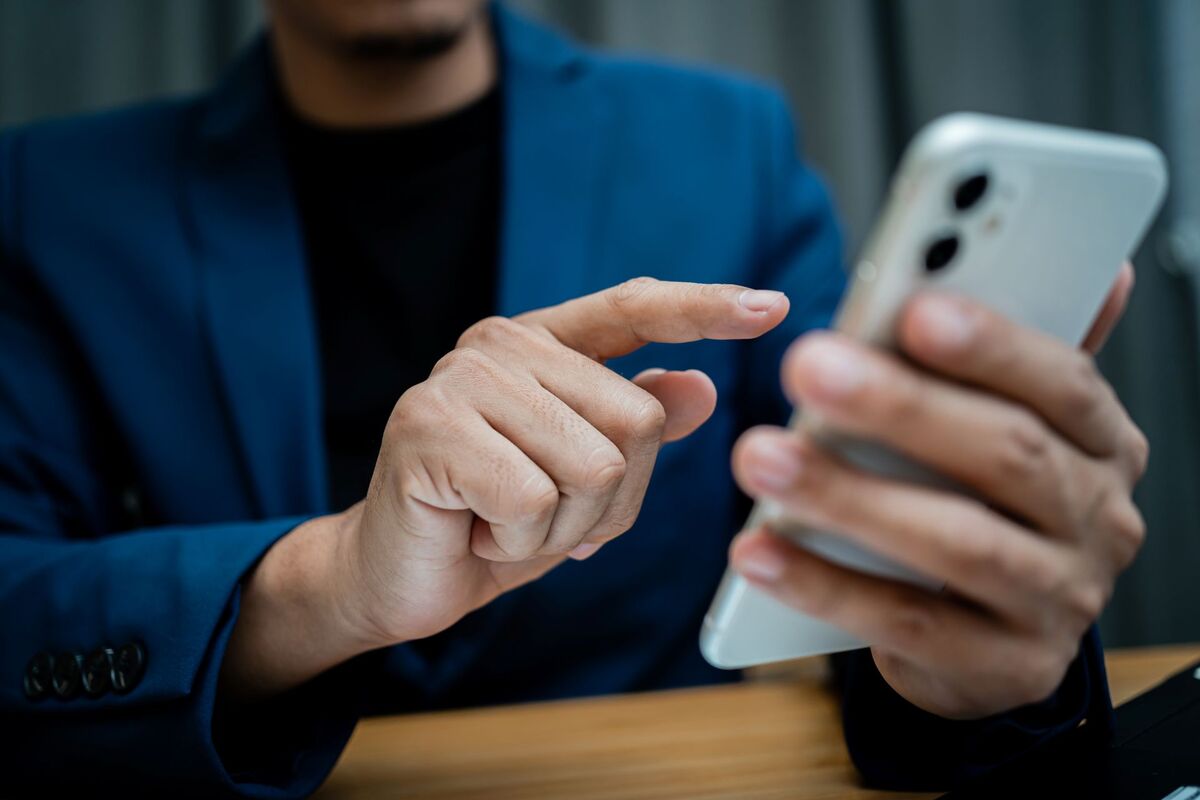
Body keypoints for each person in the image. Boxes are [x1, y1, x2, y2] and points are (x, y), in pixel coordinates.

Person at [0, 0, 1147, 796]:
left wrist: (963, 659)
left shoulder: (722, 140)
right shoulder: (51, 196)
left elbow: (848, 513)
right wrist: (331, 579)